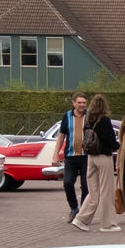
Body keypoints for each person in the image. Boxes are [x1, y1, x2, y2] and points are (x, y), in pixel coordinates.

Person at [72, 94, 120, 233]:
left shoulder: (88, 120)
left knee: (93, 190)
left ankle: (81, 218)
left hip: (90, 157)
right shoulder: (104, 121)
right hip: (103, 157)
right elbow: (110, 140)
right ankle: (107, 224)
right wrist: (118, 146)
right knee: (106, 190)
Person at [52, 91, 90, 222]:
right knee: (68, 183)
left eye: (84, 103)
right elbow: (61, 136)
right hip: (70, 156)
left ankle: (83, 213)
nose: (82, 105)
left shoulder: (90, 116)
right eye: (79, 102)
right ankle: (74, 208)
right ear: (73, 103)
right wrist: (55, 155)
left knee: (86, 186)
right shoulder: (67, 116)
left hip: (86, 157)